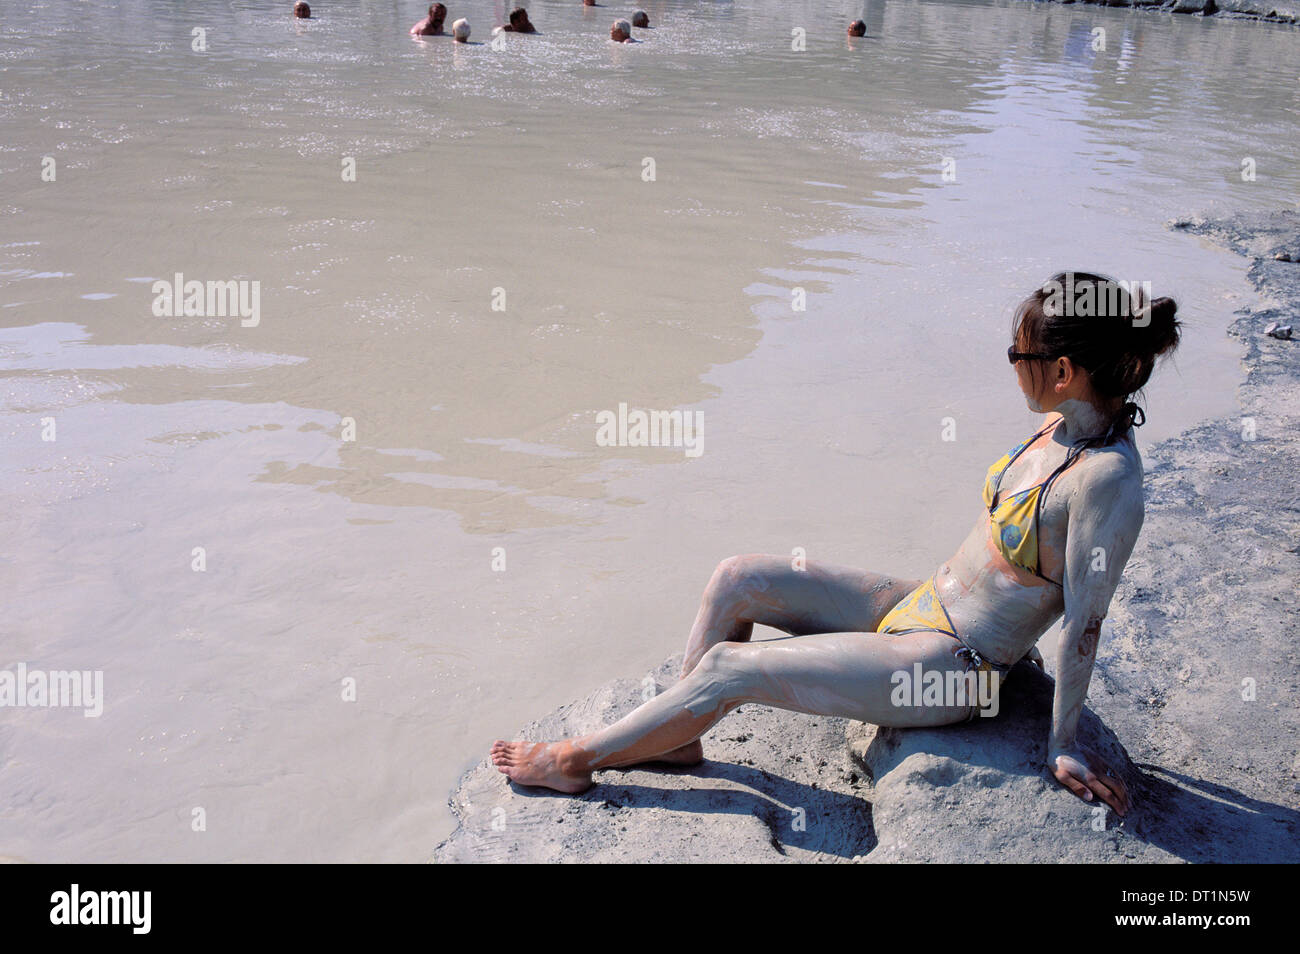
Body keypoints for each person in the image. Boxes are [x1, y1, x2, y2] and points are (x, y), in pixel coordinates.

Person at [491, 273, 1182, 817]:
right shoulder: (1063, 424)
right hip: (921, 604)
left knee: (734, 668)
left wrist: (1066, 744)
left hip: (951, 667)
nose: (1010, 366)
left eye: (1019, 355)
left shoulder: (1108, 484)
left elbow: (1087, 621)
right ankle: (679, 739)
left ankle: (576, 760)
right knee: (739, 575)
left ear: (1062, 372)